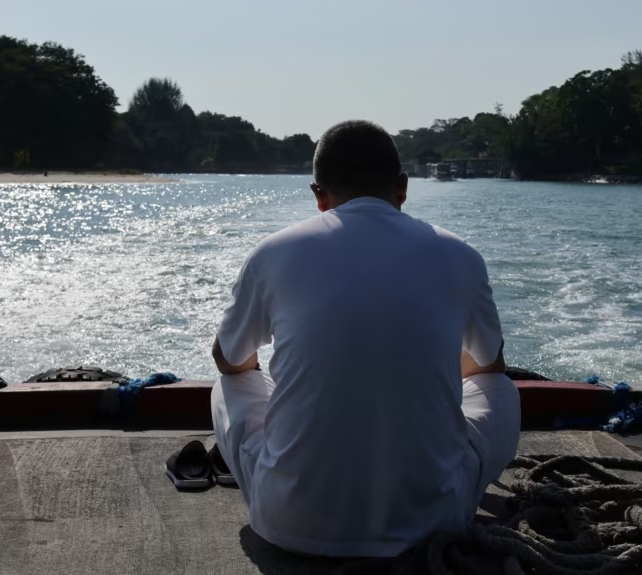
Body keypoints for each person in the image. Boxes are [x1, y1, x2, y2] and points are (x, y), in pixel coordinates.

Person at [210, 120, 520, 558]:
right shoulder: (461, 255)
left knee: (230, 384)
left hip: (290, 523)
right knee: (501, 389)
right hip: (435, 521)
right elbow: (490, 366)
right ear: (402, 188)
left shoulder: (272, 252)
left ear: (319, 195)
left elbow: (228, 359)